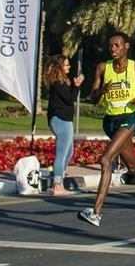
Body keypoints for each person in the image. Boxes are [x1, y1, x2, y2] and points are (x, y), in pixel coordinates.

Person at [77, 32, 135, 227]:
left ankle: (96, 213)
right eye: (110, 46)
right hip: (111, 121)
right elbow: (93, 98)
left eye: (117, 45)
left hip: (130, 118)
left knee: (105, 159)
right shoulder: (103, 68)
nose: (113, 49)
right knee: (134, 167)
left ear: (126, 46)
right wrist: (101, 91)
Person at [43, 54, 83, 196]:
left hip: (64, 119)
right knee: (62, 153)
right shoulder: (58, 82)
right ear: (59, 67)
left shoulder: (61, 82)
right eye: (66, 65)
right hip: (61, 120)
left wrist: (75, 86)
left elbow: (69, 97)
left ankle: (59, 180)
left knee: (69, 152)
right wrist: (77, 86)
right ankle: (57, 185)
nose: (69, 67)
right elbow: (70, 99)